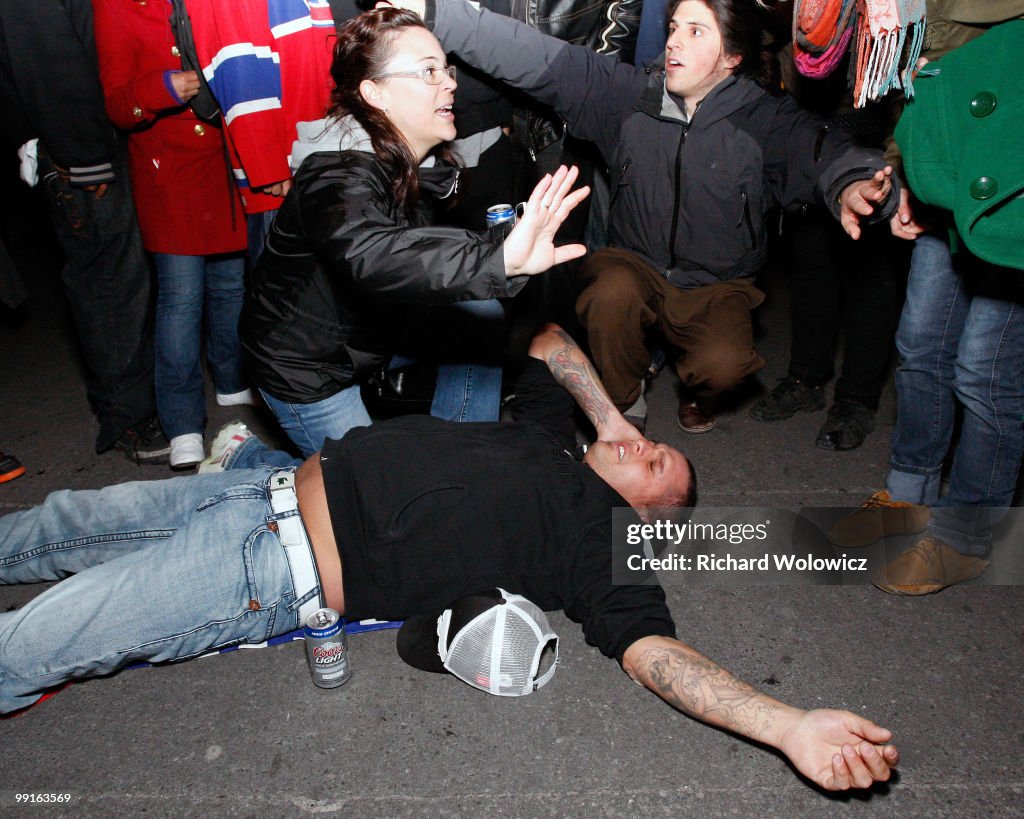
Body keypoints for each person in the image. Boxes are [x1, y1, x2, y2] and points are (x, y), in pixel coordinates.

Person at [0, 322, 898, 792]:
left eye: (657, 462)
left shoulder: (597, 538)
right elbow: (548, 344)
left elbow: (654, 655)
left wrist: (787, 725)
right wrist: (618, 422)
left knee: (42, 635)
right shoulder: (553, 437)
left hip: (272, 569)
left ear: (652, 509)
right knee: (65, 519)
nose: (641, 445)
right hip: (248, 489)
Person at [385, 0, 906, 434]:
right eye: (674, 26)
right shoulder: (627, 97)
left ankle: (699, 393)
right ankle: (624, 396)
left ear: (732, 56)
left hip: (717, 282)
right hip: (634, 263)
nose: (674, 40)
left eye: (696, 31)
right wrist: (435, 12)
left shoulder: (765, 121)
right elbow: (538, 56)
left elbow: (823, 149)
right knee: (607, 293)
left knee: (724, 368)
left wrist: (859, 184)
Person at [238, 8, 590, 456]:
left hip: (371, 329)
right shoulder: (337, 173)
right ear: (375, 93)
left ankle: (464, 457)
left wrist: (498, 251)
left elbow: (420, 251)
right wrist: (497, 259)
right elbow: (373, 252)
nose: (450, 82)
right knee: (374, 493)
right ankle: (241, 455)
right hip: (306, 364)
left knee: (485, 312)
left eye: (446, 68)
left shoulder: (418, 159)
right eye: (428, 71)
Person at [827, 13, 1024, 595]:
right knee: (920, 345)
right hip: (949, 172)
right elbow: (925, 78)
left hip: (1010, 183)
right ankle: (908, 496)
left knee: (985, 371)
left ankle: (966, 535)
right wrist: (906, 166)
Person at [0, 0, 168, 464]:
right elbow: (46, 57)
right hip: (79, 145)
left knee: (134, 274)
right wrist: (83, 153)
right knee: (111, 279)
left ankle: (150, 397)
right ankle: (127, 416)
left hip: (105, 131)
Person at [92, 0, 251, 470]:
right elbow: (118, 104)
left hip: (227, 156)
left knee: (231, 284)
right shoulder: (116, 7)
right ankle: (181, 421)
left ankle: (229, 376)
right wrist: (165, 87)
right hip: (171, 169)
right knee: (181, 299)